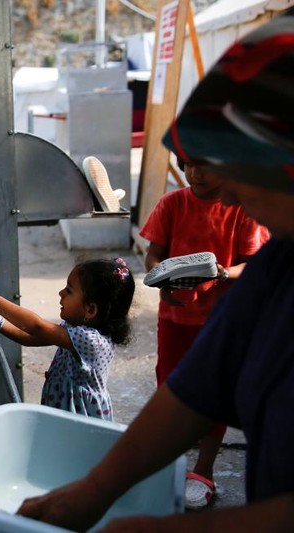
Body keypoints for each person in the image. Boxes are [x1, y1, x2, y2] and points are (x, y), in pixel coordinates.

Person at [15, 11, 294, 531]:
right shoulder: (278, 268)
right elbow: (193, 391)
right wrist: (94, 490)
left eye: (241, 172)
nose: (226, 194)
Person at [140, 156, 269, 510]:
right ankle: (171, 463)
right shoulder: (172, 203)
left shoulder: (240, 209)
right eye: (186, 164)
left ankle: (203, 471)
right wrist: (162, 277)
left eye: (204, 165)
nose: (194, 173)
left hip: (220, 323)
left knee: (215, 396)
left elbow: (253, 265)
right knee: (170, 390)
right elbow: (153, 256)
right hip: (174, 319)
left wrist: (222, 274)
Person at [0, 258, 136, 421]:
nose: (61, 293)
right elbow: (31, 337)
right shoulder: (75, 329)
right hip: (66, 415)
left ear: (90, 309)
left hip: (83, 420)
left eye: (69, 290)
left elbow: (36, 326)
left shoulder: (92, 341)